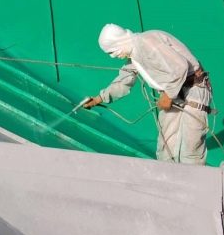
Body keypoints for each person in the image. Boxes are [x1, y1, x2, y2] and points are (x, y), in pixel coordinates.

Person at [83, 24, 212, 165]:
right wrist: (99, 99)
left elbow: (180, 67)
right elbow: (124, 80)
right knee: (166, 147)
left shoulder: (147, 42)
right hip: (172, 92)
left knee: (191, 146)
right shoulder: (134, 54)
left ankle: (195, 178)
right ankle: (167, 177)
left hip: (193, 88)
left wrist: (168, 95)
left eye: (112, 51)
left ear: (119, 41)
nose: (113, 56)